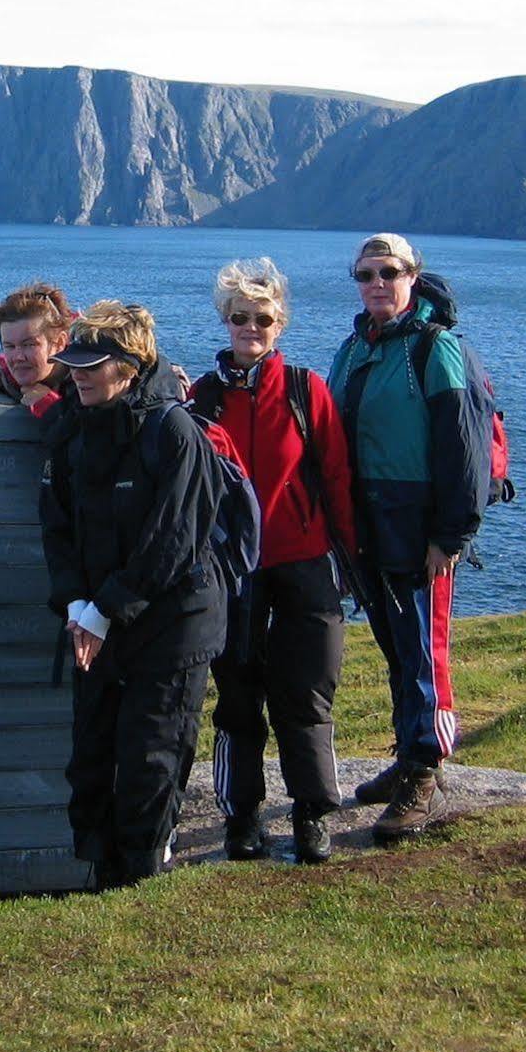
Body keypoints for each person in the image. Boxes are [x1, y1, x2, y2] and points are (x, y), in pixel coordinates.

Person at [39, 301, 228, 888]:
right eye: (72, 363)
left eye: (91, 364)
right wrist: (75, 604)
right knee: (91, 757)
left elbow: (172, 541)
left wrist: (101, 611)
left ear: (130, 365)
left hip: (172, 624)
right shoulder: (76, 423)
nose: (77, 374)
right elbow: (58, 522)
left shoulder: (171, 431)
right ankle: (102, 878)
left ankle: (140, 881)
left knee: (152, 758)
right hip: (98, 619)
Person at [192, 258, 358, 865]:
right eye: (240, 317)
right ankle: (241, 816)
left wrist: (350, 559)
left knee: (307, 695)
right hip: (235, 571)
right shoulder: (202, 397)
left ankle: (313, 815)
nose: (251, 327)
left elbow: (336, 475)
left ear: (279, 323)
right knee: (237, 699)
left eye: (262, 318)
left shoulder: (305, 390)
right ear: (225, 321)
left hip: (305, 562)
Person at [327, 235, 485, 842]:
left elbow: (463, 447)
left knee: (425, 652)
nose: (376, 283)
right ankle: (407, 758)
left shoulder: (435, 350)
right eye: (364, 274)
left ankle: (425, 773)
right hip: (369, 528)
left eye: (388, 272)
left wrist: (451, 535)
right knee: (398, 650)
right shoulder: (354, 349)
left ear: (412, 277)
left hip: (421, 532)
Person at [0, 281, 75, 418]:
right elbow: (2, 361)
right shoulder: (8, 374)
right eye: (10, 346)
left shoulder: (87, 381)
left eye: (29, 345)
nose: (18, 357)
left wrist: (48, 406)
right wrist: (1, 376)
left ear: (59, 342)